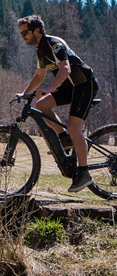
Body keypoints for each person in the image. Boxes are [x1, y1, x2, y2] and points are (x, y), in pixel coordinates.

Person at [17, 15, 99, 192]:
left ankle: (84, 173)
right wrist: (24, 94)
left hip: (84, 83)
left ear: (36, 31)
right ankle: (65, 138)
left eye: (25, 32)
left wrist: (50, 89)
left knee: (74, 127)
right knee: (41, 106)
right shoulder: (41, 51)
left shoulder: (54, 43)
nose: (22, 36)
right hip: (69, 87)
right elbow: (39, 75)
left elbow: (66, 69)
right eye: (21, 33)